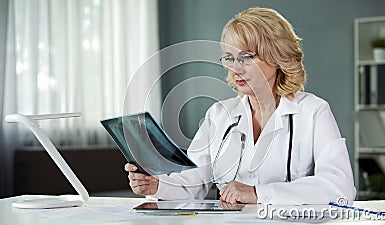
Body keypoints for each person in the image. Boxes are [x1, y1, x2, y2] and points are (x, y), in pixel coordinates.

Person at [125, 7, 356, 205]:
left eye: (246, 57)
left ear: (277, 57)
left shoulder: (313, 112)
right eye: (229, 58)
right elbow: (192, 183)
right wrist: (156, 185)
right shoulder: (218, 115)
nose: (235, 68)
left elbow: (339, 185)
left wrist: (258, 193)